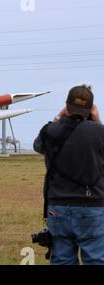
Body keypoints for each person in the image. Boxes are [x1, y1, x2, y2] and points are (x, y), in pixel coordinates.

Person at [33, 85, 104, 265]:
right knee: (95, 259)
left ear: (66, 105)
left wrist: (59, 118)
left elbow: (38, 146)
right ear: (91, 109)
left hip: (58, 206)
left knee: (62, 259)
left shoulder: (50, 131)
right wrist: (98, 122)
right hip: (92, 205)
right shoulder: (99, 132)